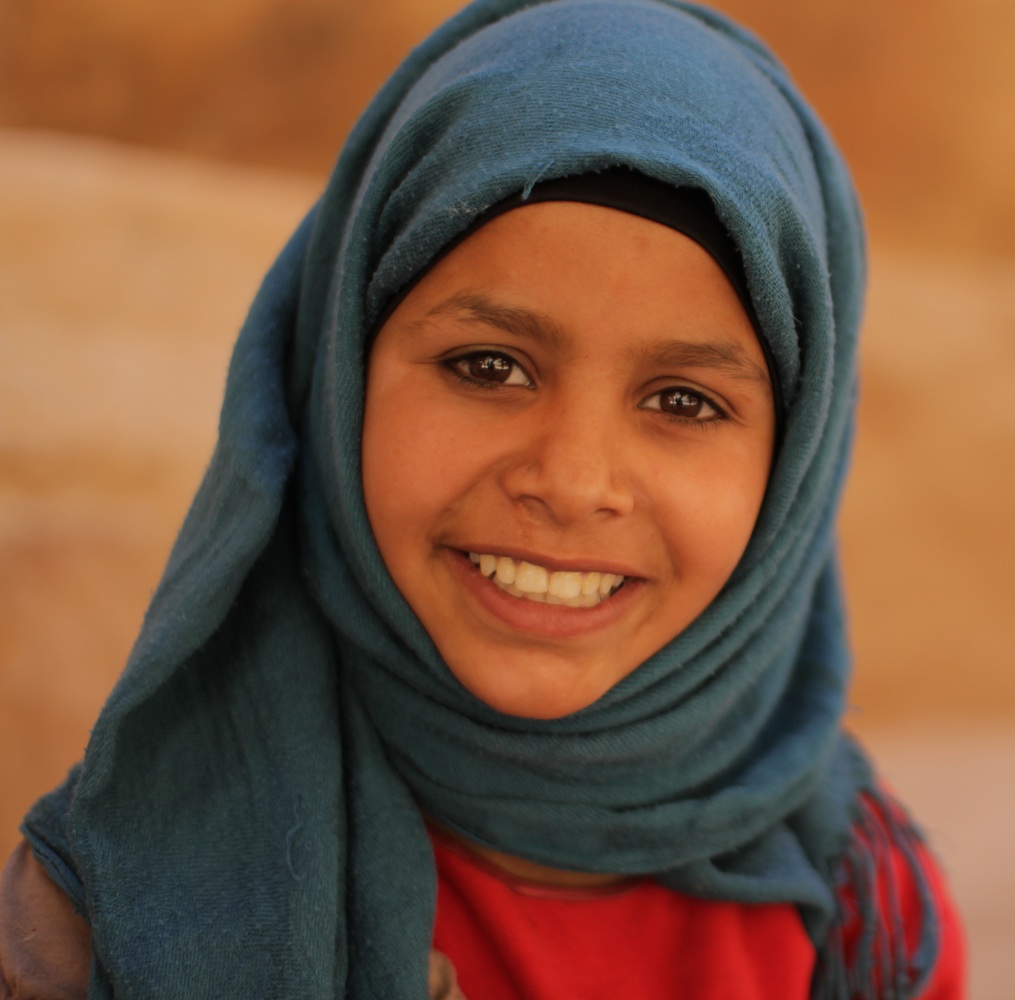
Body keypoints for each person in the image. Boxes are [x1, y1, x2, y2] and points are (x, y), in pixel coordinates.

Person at [0, 0, 965, 996]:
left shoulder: (860, 920)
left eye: (684, 399)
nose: (572, 480)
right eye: (489, 364)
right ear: (335, 377)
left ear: (796, 461)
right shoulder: (110, 901)